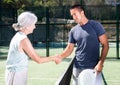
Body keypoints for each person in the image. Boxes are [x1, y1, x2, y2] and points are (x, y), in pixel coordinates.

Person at [55, 4, 109, 85]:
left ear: (82, 13)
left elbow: (105, 45)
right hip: (77, 69)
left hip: (93, 69)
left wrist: (100, 63)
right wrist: (60, 56)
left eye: (75, 14)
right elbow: (69, 48)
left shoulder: (96, 26)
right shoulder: (73, 31)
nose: (74, 17)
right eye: (72, 15)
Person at [5, 11, 56, 85]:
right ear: (27, 25)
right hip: (16, 74)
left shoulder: (19, 36)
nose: (35, 27)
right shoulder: (23, 39)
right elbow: (38, 60)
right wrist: (54, 58)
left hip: (15, 73)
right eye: (33, 24)